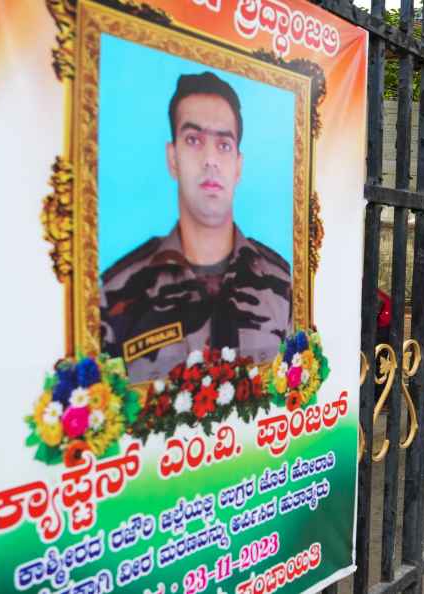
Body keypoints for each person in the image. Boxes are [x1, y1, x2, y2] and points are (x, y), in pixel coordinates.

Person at [101, 72, 292, 382]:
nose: (210, 160)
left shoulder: (281, 285)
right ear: (172, 157)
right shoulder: (118, 292)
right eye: (194, 140)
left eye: (224, 144)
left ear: (239, 165)